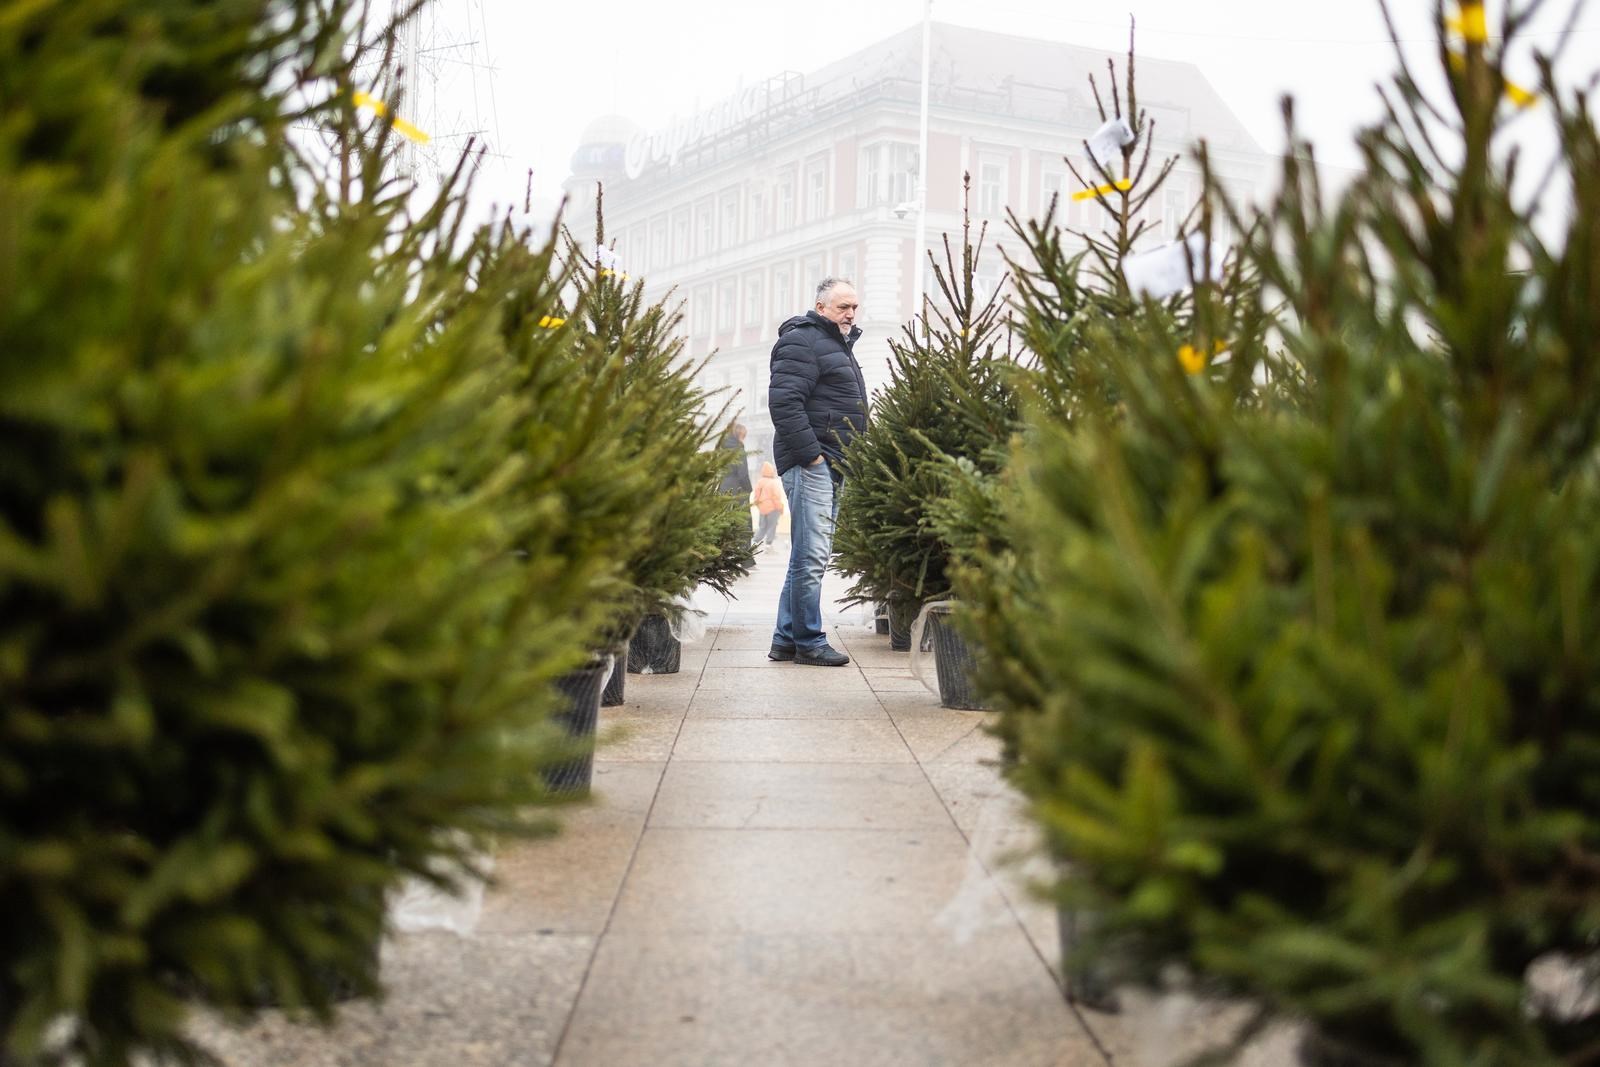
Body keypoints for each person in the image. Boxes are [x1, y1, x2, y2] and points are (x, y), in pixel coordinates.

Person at [766, 277, 868, 667]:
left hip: (833, 461)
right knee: (811, 557)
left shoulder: (838, 344)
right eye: (843, 306)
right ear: (821, 307)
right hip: (814, 463)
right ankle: (809, 641)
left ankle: (785, 638)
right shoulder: (802, 340)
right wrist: (813, 458)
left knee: (807, 555)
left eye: (855, 307)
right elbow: (785, 403)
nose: (851, 313)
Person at [750, 461, 784, 552]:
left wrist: (759, 506)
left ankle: (754, 543)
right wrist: (780, 508)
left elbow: (756, 497)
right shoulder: (773, 483)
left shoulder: (760, 482)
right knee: (771, 526)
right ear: (771, 471)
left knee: (762, 527)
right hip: (773, 509)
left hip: (762, 509)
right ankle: (768, 546)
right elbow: (776, 497)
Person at [717, 422, 752, 497]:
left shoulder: (722, 450)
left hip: (722, 489)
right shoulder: (739, 451)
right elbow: (743, 475)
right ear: (738, 435)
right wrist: (749, 489)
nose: (743, 439)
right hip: (737, 491)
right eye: (743, 436)